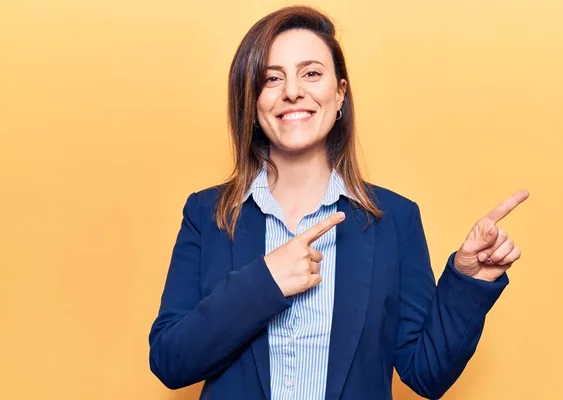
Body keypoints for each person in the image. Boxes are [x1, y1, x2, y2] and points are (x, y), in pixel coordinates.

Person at [148, 5, 529, 400]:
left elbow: (425, 373)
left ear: (340, 93)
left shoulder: (395, 220)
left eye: (311, 73)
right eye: (271, 78)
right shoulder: (206, 215)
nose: (292, 91)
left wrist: (469, 282)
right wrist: (265, 282)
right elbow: (170, 361)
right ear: (252, 100)